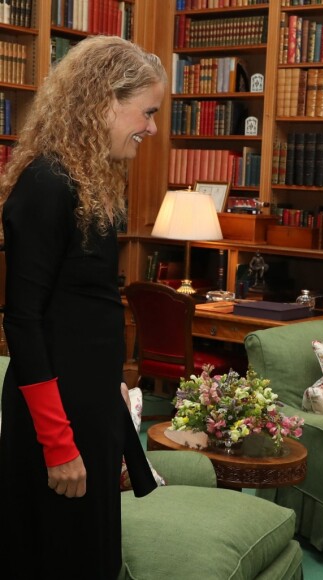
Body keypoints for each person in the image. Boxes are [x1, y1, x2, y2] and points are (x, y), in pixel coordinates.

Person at [0, 36, 167, 579]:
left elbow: (80, 309)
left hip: (85, 405)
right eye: (147, 112)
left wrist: (109, 383)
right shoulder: (47, 182)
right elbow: (23, 321)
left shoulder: (90, 181)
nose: (152, 128)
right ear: (104, 103)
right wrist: (57, 444)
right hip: (55, 420)